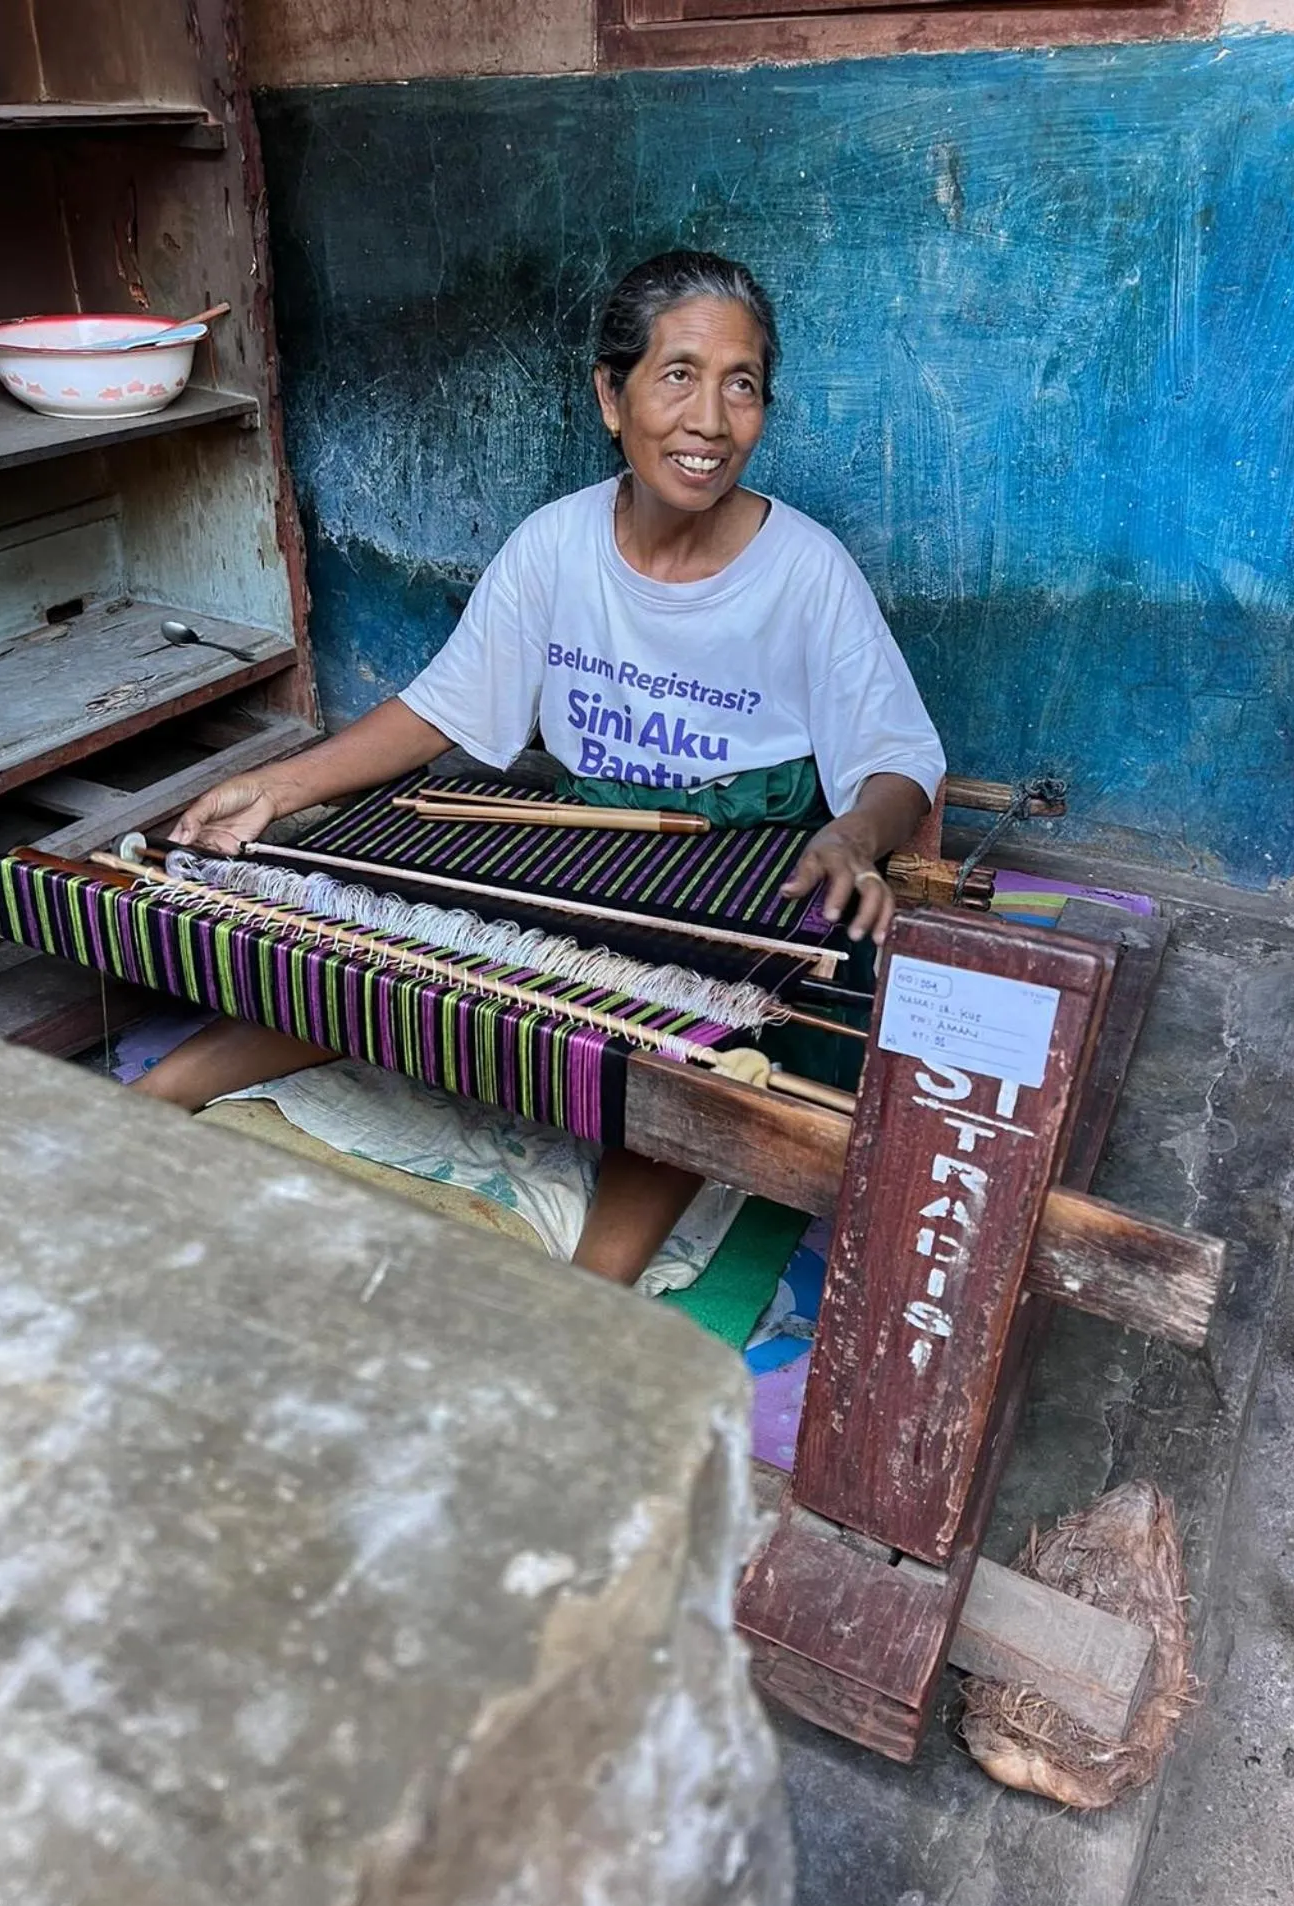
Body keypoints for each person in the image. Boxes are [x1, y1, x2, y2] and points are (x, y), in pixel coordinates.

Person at [136, 250, 945, 1284]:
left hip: (742, 879)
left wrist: (854, 834)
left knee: (692, 1048)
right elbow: (445, 704)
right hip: (582, 849)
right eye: (678, 375)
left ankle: (587, 1291)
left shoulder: (806, 571)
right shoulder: (555, 548)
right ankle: (151, 1102)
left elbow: (895, 759)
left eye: (741, 384)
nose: (709, 418)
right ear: (612, 395)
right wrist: (281, 787)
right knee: (404, 943)